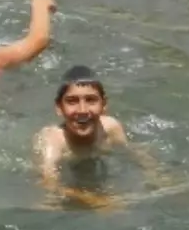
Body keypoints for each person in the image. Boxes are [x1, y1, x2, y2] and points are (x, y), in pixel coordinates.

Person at [34, 66, 160, 209]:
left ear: (104, 104)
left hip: (94, 168)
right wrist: (93, 199)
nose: (82, 110)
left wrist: (155, 175)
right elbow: (49, 185)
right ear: (59, 107)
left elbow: (132, 153)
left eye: (91, 100)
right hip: (69, 177)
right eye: (72, 101)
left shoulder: (111, 128)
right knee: (49, 205)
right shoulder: (52, 141)